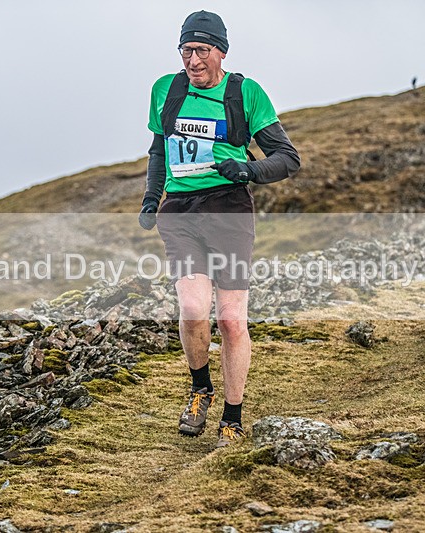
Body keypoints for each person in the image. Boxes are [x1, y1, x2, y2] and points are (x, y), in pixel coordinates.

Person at [138, 11, 300, 448]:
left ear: (220, 52)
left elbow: (287, 158)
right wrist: (153, 198)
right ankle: (199, 390)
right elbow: (159, 149)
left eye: (201, 51)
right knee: (193, 309)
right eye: (186, 50)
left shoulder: (245, 93)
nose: (193, 60)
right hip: (181, 212)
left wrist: (245, 168)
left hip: (229, 208)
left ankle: (232, 416)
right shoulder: (166, 90)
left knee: (229, 320)